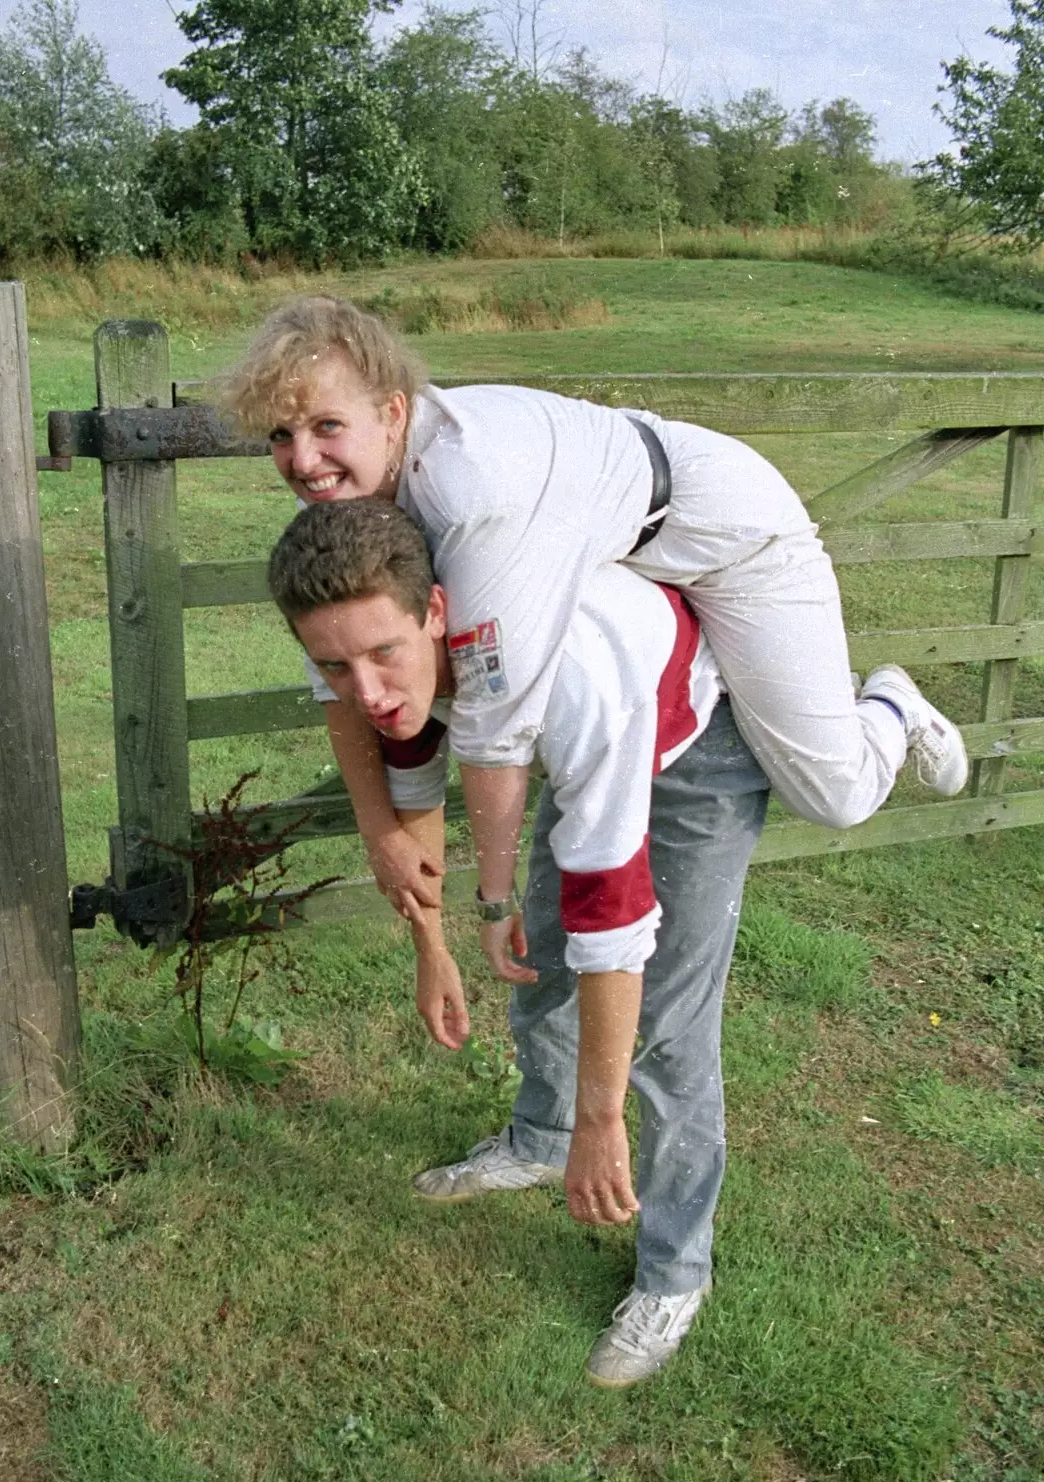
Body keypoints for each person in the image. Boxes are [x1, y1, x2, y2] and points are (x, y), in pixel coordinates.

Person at [224, 295, 970, 979]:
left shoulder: (469, 491)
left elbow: (493, 724)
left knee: (834, 793)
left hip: (729, 537)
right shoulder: (350, 509)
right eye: (280, 436)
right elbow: (341, 683)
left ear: (391, 412)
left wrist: (490, 896)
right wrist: (380, 830)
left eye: (327, 427)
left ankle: (892, 710)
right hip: (620, 554)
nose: (301, 460)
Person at [268, 497, 769, 1388]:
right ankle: (539, 1138)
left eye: (384, 655)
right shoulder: (395, 663)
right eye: (334, 667)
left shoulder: (571, 677)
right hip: (566, 737)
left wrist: (603, 1121)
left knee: (666, 1027)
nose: (367, 691)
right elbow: (409, 775)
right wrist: (435, 948)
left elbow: (612, 924)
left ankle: (673, 1272)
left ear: (435, 614)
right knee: (537, 954)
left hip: (688, 747)